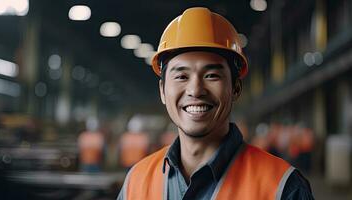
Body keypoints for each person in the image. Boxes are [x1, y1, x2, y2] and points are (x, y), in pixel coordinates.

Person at [117, 7, 314, 200]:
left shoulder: (283, 188)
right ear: (162, 91)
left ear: (236, 88)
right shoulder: (136, 182)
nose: (195, 90)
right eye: (182, 76)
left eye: (211, 75)